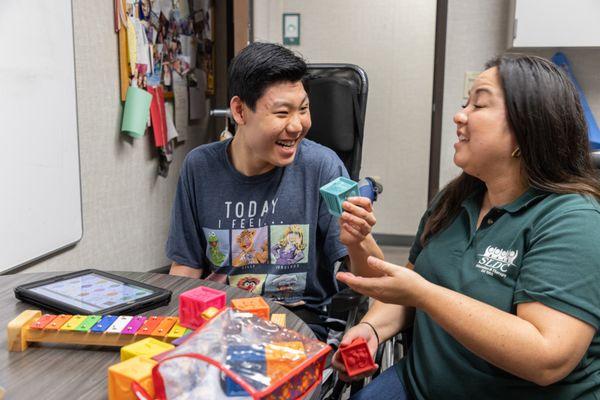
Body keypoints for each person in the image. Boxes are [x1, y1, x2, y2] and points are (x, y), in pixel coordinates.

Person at [333, 54, 600, 399]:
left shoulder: (572, 220)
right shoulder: (456, 198)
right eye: (465, 104)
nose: (460, 116)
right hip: (419, 385)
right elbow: (408, 292)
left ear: (527, 126)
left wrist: (425, 295)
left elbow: (547, 358)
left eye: (479, 105)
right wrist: (371, 328)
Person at [166, 42, 382, 341]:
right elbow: (186, 266)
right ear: (240, 111)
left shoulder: (322, 167)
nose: (297, 125)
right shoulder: (199, 167)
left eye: (303, 109)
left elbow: (371, 280)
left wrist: (359, 240)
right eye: (282, 112)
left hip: (298, 324)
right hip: (220, 323)